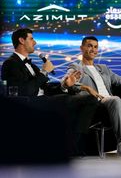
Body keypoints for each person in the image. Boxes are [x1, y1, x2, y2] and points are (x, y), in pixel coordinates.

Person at [1, 28, 100, 157]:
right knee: (73, 101)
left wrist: (65, 85)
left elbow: (47, 89)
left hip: (46, 100)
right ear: (21, 40)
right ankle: (70, 146)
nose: (35, 42)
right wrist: (44, 72)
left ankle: (72, 143)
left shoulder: (33, 66)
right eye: (31, 39)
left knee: (89, 99)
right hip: (32, 104)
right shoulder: (10, 63)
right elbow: (23, 91)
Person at [61, 36, 121, 158]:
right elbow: (66, 82)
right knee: (115, 99)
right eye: (89, 46)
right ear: (82, 48)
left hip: (113, 103)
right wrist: (80, 86)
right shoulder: (76, 67)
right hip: (97, 106)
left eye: (95, 47)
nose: (93, 49)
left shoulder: (103, 69)